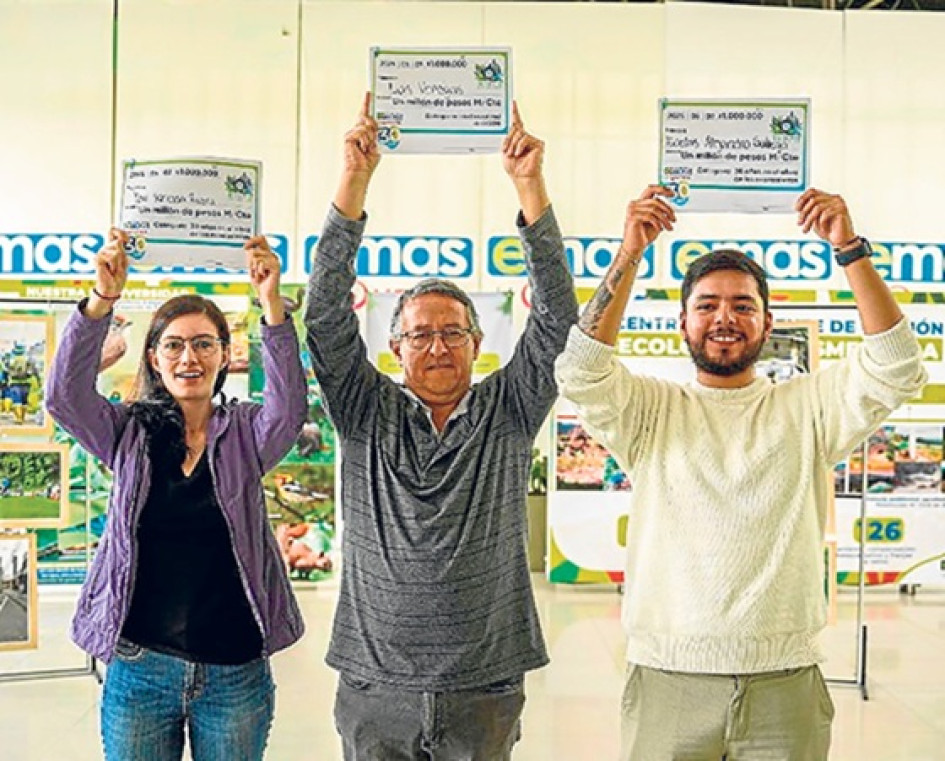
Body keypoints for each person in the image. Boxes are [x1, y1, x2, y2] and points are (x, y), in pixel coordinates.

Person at [554, 185, 927, 760]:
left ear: (766, 321)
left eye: (742, 305)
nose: (724, 318)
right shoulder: (650, 412)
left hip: (784, 683)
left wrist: (849, 249)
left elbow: (898, 365)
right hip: (667, 681)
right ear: (682, 322)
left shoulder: (807, 407)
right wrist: (629, 255)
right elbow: (581, 371)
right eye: (706, 305)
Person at [304, 94, 578, 759]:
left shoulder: (509, 408)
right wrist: (354, 184)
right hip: (374, 680)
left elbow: (556, 320)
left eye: (451, 333)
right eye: (419, 334)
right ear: (394, 346)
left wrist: (528, 187)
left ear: (477, 341)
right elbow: (322, 315)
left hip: (482, 681)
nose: (435, 347)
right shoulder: (363, 407)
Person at [45, 229, 307, 761]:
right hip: (140, 666)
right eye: (174, 344)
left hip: (235, 668)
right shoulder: (128, 432)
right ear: (155, 359)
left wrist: (271, 304)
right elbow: (64, 397)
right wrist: (103, 298)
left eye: (204, 343)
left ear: (224, 355)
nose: (190, 357)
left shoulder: (246, 435)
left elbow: (289, 410)